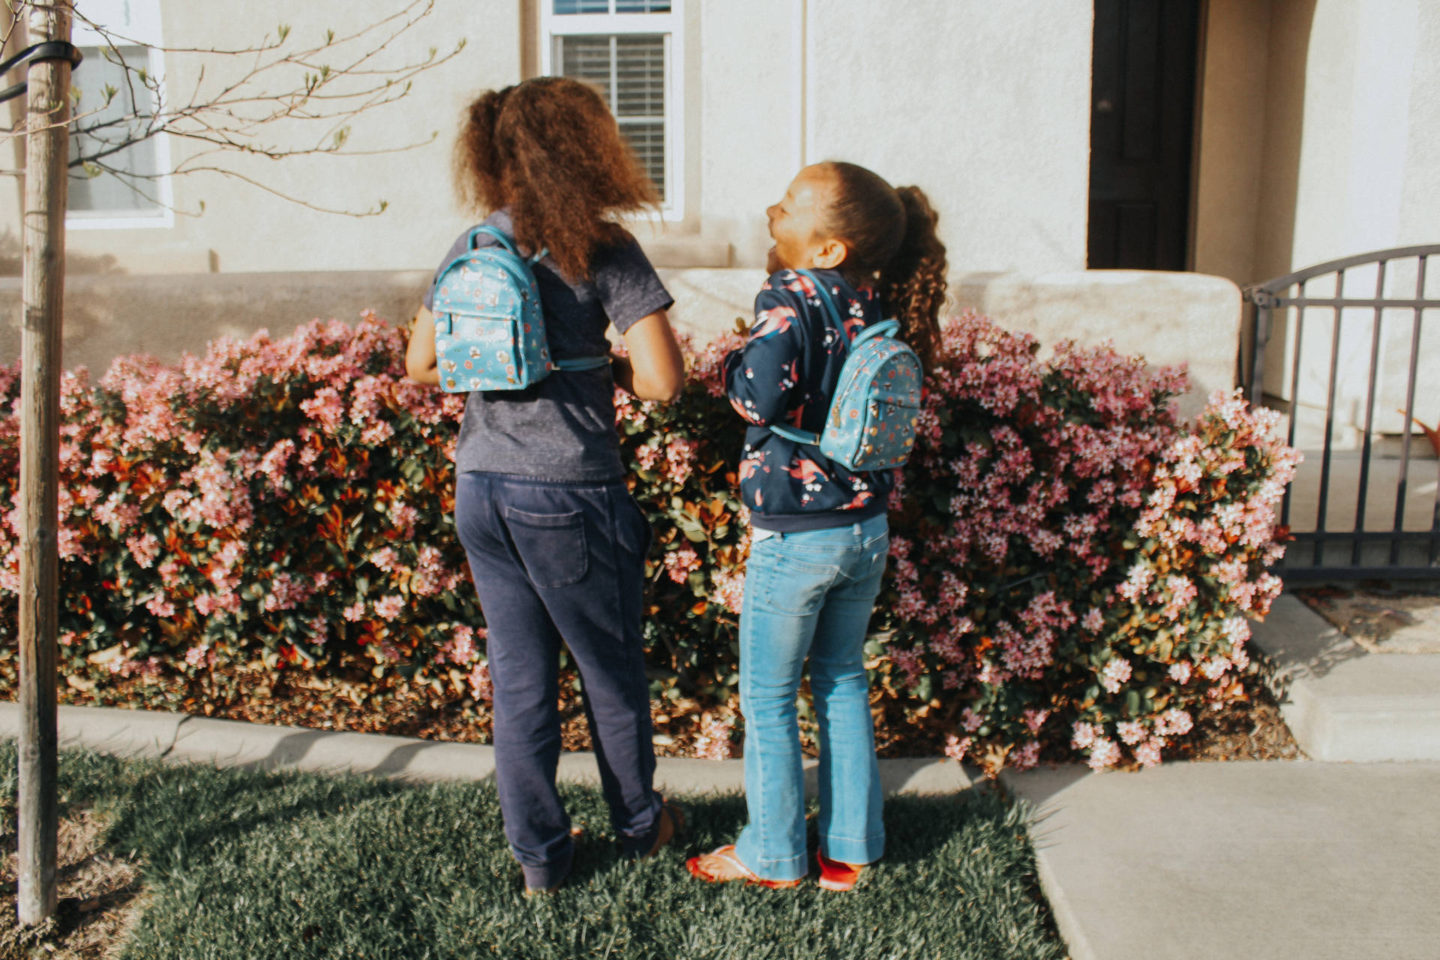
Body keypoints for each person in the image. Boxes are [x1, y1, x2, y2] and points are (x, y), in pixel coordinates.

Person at [406, 76, 686, 894]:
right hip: (568, 487)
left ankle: (541, 859)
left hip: (481, 486)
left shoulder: (472, 244)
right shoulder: (599, 246)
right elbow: (666, 382)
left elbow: (422, 363)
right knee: (609, 670)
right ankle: (640, 825)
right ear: (588, 151)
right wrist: (599, 372)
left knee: (521, 681)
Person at [687, 161, 947, 890]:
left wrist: (735, 359)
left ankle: (771, 854)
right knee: (840, 681)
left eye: (793, 204)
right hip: (864, 528)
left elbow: (756, 398)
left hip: (795, 533)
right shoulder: (875, 303)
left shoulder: (792, 294)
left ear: (827, 248)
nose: (776, 206)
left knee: (768, 698)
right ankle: (850, 851)